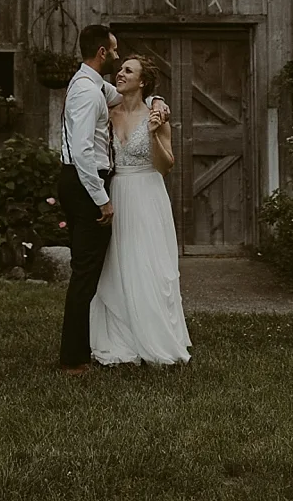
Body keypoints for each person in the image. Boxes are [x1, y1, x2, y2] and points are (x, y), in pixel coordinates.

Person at [55, 25, 169, 374]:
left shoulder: (88, 84)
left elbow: (123, 96)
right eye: (115, 52)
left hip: (76, 181)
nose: (118, 59)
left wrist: (157, 99)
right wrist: (101, 199)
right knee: (86, 272)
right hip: (85, 183)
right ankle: (74, 359)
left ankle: (82, 346)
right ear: (102, 53)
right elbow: (83, 152)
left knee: (87, 269)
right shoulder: (88, 94)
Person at [90, 55, 191, 366]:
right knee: (119, 265)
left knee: (149, 264)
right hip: (118, 192)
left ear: (142, 82)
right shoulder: (109, 112)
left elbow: (165, 166)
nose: (120, 73)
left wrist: (152, 132)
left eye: (127, 71)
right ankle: (121, 338)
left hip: (147, 193)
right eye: (120, 69)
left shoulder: (157, 115)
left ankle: (154, 337)